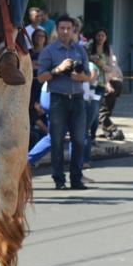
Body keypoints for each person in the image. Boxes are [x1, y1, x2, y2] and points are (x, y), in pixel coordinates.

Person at [37, 14, 90, 190]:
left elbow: (89, 76)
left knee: (79, 140)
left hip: (77, 99)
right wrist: (58, 70)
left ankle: (76, 178)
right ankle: (59, 179)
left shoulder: (80, 50)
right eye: (62, 28)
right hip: (58, 98)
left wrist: (79, 76)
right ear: (57, 30)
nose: (65, 31)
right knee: (57, 141)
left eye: (69, 28)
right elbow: (40, 77)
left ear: (74, 31)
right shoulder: (49, 51)